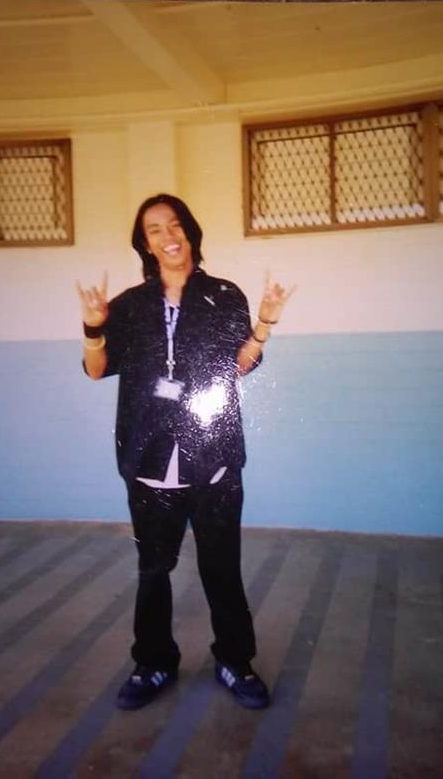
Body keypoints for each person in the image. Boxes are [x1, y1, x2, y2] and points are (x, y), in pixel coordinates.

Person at [76, 194, 293, 710]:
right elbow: (96, 369)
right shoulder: (128, 305)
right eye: (154, 230)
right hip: (150, 464)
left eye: (174, 225)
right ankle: (153, 663)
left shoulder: (223, 294)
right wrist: (93, 327)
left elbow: (238, 366)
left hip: (214, 461)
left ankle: (235, 662)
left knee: (223, 570)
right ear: (145, 244)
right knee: (153, 571)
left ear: (190, 231)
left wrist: (264, 324)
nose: (167, 236)